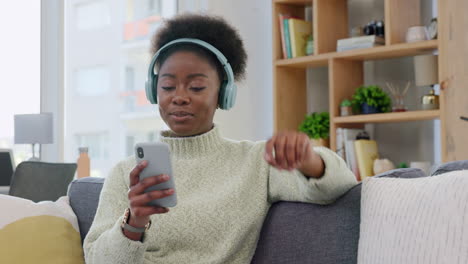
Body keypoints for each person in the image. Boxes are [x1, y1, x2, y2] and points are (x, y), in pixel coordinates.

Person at [83, 13, 357, 264]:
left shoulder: (256, 163)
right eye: (167, 86)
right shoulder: (125, 173)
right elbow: (97, 259)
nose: (179, 96)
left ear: (224, 93)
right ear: (154, 92)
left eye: (197, 86)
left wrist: (310, 162)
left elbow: (341, 185)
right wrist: (134, 223)